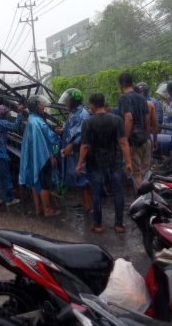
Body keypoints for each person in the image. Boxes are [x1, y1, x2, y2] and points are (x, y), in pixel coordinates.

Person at [76, 94, 132, 234]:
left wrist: (79, 164)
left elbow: (85, 146)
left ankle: (98, 225)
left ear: (94, 105)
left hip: (95, 163)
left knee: (96, 194)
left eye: (90, 105)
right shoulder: (117, 120)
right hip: (115, 162)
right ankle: (119, 225)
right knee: (118, 193)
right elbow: (123, 142)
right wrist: (129, 162)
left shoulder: (88, 122)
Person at [19, 94, 62, 217]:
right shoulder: (38, 122)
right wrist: (54, 153)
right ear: (36, 106)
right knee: (44, 184)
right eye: (41, 105)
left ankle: (38, 209)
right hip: (43, 157)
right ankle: (48, 210)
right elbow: (51, 139)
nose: (43, 107)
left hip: (35, 157)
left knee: (35, 182)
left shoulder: (32, 119)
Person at [55, 88, 92, 211]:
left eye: (67, 101)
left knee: (84, 179)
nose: (66, 103)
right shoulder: (72, 113)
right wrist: (62, 131)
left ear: (74, 101)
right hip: (73, 153)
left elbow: (83, 134)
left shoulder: (83, 114)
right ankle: (82, 203)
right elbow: (70, 129)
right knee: (78, 177)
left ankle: (89, 206)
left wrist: (72, 145)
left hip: (80, 152)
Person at [117, 72, 151, 185]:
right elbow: (147, 119)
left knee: (135, 174)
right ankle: (149, 199)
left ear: (120, 85)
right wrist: (147, 135)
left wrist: (125, 138)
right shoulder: (142, 98)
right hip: (145, 139)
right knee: (145, 173)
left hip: (134, 141)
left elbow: (129, 118)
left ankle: (141, 200)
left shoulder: (123, 98)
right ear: (133, 83)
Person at [135, 82, 159, 153]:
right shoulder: (150, 104)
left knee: (136, 163)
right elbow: (155, 124)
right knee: (147, 163)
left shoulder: (131, 104)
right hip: (146, 138)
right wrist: (155, 140)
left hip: (136, 139)